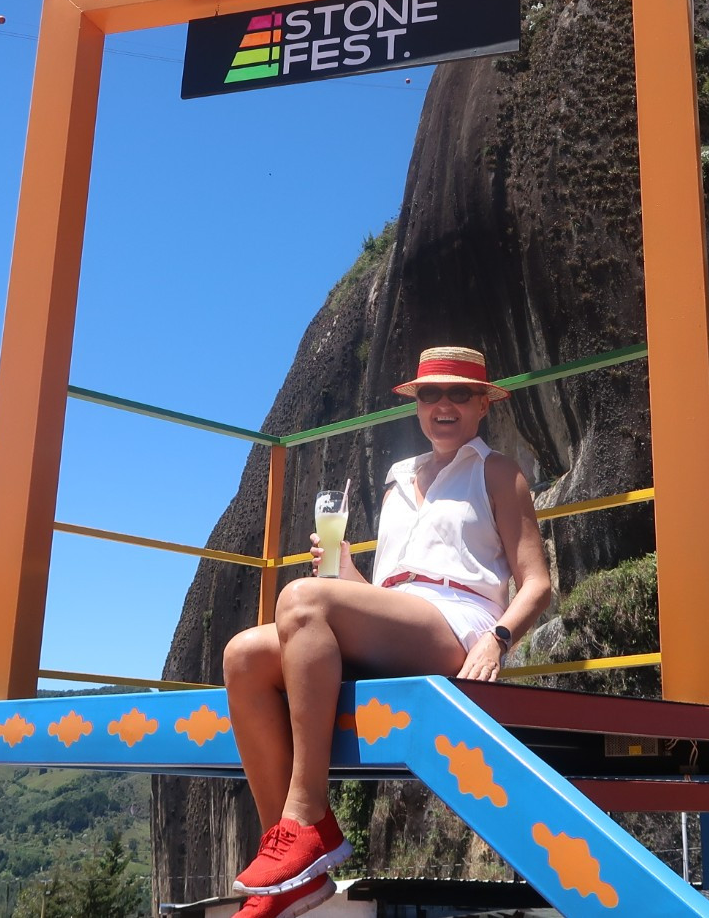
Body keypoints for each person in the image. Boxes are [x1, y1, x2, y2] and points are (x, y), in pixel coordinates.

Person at [220, 347, 553, 917]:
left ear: (481, 406)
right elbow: (382, 593)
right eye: (429, 394)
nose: (442, 405)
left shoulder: (496, 471)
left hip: (459, 622)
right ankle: (293, 865)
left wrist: (497, 639)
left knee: (300, 598)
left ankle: (305, 818)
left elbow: (536, 582)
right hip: (398, 616)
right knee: (244, 653)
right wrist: (343, 567)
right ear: (416, 407)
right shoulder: (398, 477)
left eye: (457, 394)